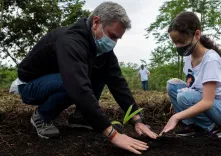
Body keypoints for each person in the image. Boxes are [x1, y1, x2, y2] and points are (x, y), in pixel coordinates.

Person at [10, 2, 157, 154]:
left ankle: (80, 117)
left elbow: (117, 82)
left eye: (118, 39)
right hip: (30, 86)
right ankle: (41, 116)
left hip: (60, 80)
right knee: (72, 82)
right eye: (112, 36)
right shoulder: (71, 41)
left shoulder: (101, 49)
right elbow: (77, 86)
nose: (113, 43)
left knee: (99, 71)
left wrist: (137, 120)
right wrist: (112, 134)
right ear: (96, 22)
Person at [160, 11, 221, 138]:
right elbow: (192, 85)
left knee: (183, 95)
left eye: (181, 41)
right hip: (211, 104)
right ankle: (193, 125)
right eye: (175, 42)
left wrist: (177, 116)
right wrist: (175, 102)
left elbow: (207, 102)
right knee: (172, 85)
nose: (178, 46)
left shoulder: (210, 60)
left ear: (197, 34)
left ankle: (213, 128)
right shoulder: (188, 57)